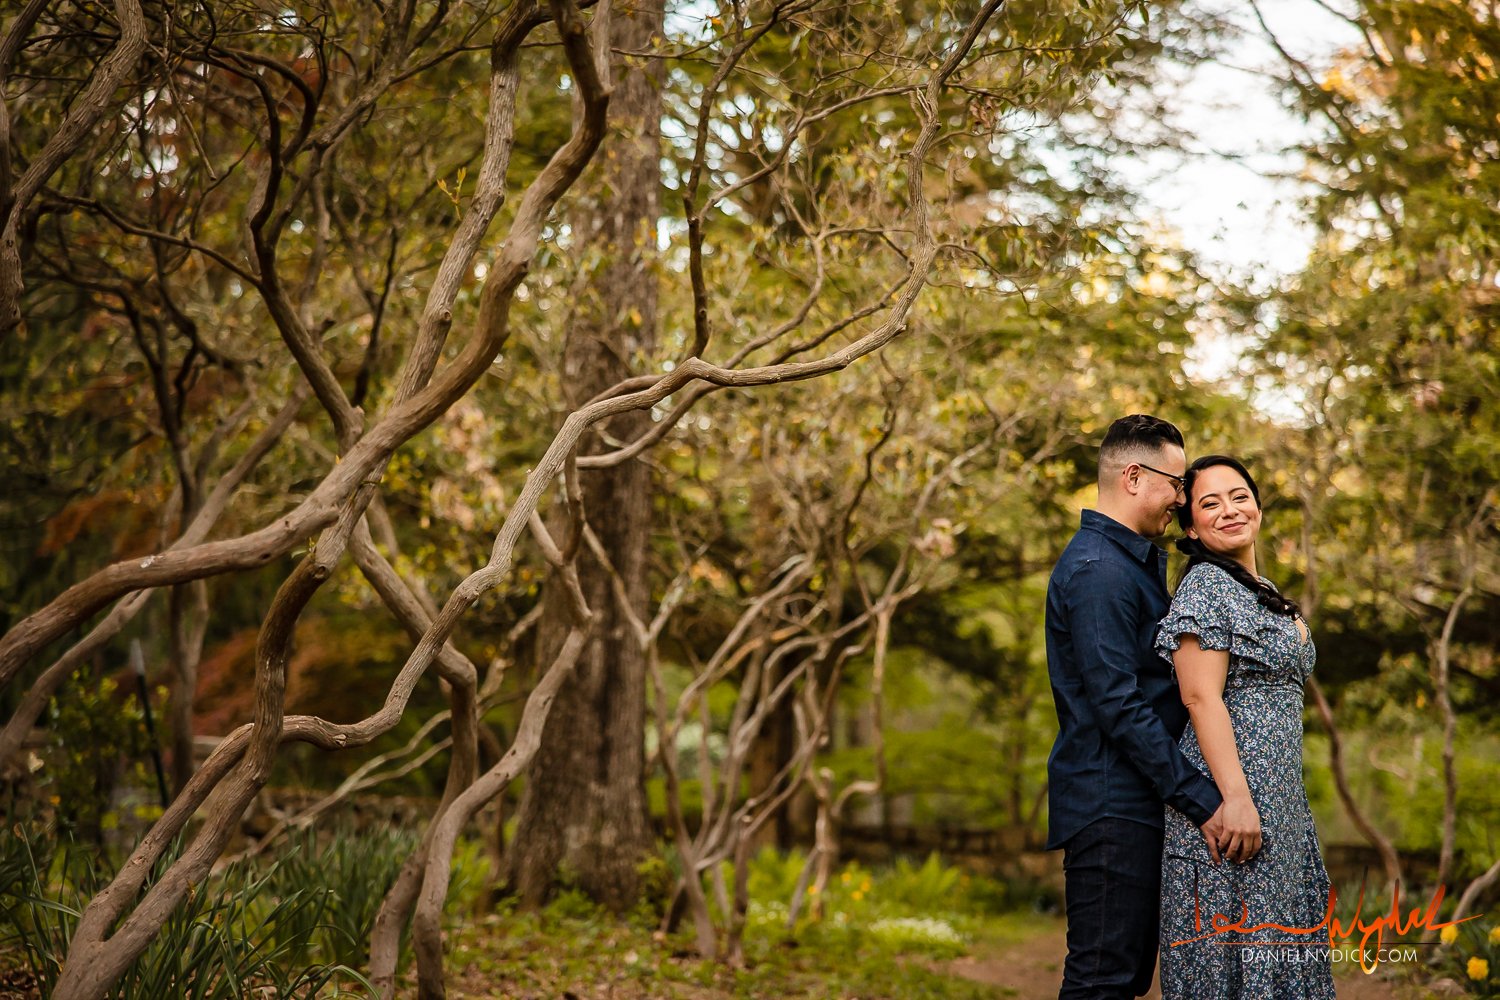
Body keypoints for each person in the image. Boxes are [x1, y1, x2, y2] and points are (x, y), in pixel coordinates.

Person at [1045, 415, 1232, 1000]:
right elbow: (1118, 705)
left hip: (1134, 801)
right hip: (1111, 806)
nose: (1181, 501)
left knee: (1122, 980)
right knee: (1103, 981)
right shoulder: (1099, 571)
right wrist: (1201, 799)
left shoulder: (1127, 565)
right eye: (1176, 484)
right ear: (1133, 476)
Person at [1155, 455, 1336, 999]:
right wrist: (1235, 799)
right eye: (1209, 503)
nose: (1229, 510)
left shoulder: (1261, 587)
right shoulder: (1207, 587)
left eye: (1239, 496)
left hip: (1279, 806)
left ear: (1258, 505)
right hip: (1232, 807)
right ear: (1191, 527)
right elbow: (1198, 695)